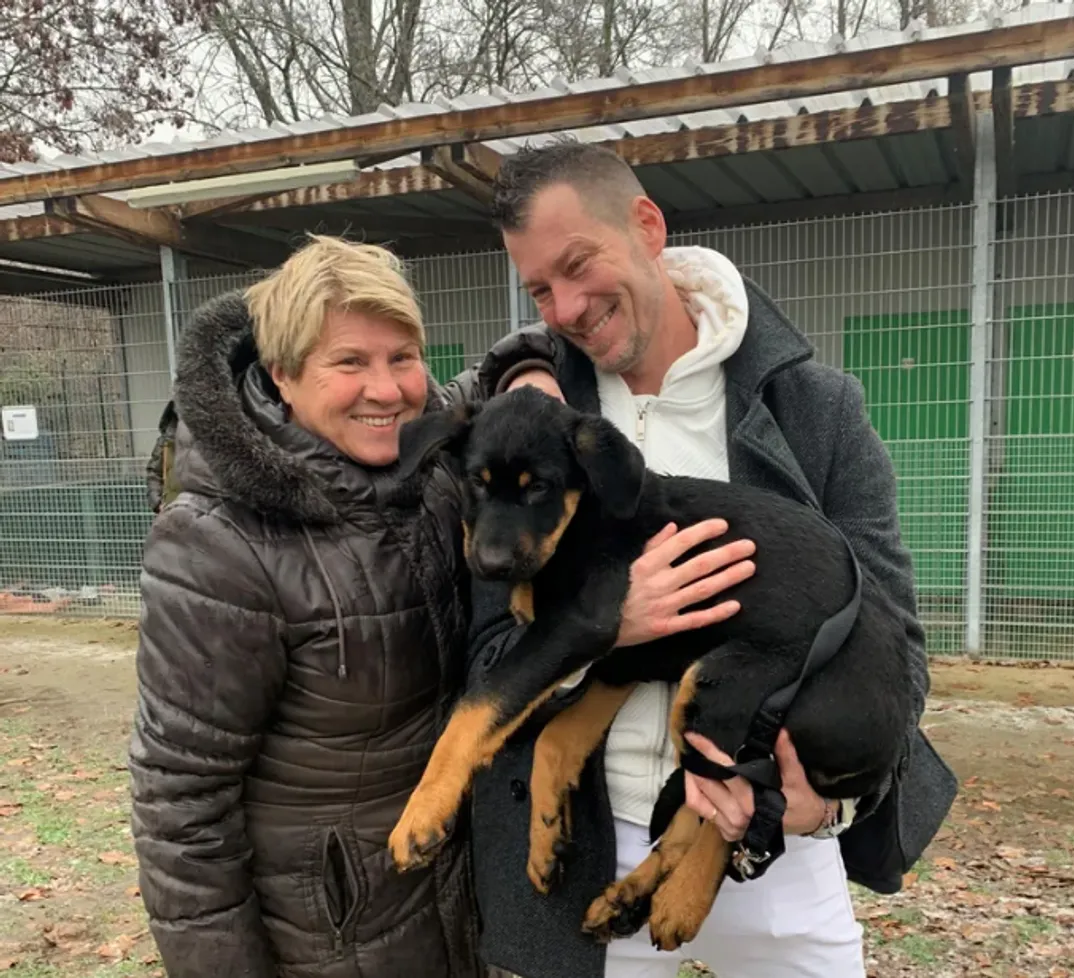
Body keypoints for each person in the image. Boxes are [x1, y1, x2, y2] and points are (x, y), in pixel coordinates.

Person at [465, 141, 957, 978]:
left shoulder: (815, 410)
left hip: (771, 838)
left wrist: (825, 798)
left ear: (647, 226)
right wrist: (605, 625)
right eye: (540, 289)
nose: (568, 307)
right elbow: (486, 646)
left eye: (579, 265)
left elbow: (897, 641)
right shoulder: (526, 426)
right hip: (587, 841)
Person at [129, 235, 506, 978]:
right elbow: (181, 806)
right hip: (333, 939)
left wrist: (529, 364)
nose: (386, 389)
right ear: (284, 374)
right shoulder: (218, 544)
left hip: (461, 909)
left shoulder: (434, 470)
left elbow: (499, 377)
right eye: (350, 363)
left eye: (402, 357)